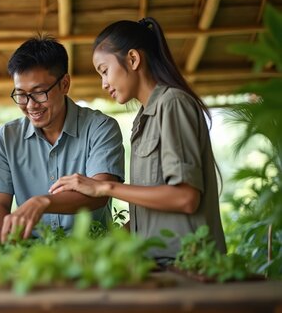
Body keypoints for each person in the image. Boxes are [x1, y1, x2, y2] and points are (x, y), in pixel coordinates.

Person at [49, 17, 226, 264]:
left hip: (189, 265)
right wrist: (100, 248)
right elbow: (151, 211)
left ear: (132, 59)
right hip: (157, 265)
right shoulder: (143, 118)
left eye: (104, 70)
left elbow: (185, 198)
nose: (103, 84)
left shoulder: (172, 103)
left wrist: (102, 187)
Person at [0, 36, 125, 242]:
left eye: (39, 93)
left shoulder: (100, 128)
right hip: (30, 255)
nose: (30, 105)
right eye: (21, 95)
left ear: (64, 84)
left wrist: (44, 202)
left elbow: (101, 191)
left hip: (92, 252)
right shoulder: (6, 138)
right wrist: (4, 237)